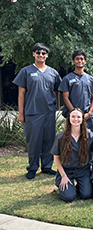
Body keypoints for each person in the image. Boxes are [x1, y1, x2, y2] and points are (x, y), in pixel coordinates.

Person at [13, 43, 61, 179]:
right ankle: (33, 167)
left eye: (44, 53)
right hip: (32, 112)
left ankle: (47, 166)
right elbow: (21, 93)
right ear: (34, 54)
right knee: (33, 141)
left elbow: (57, 90)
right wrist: (21, 113)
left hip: (49, 112)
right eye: (38, 52)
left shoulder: (53, 72)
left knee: (49, 140)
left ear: (47, 55)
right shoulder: (26, 71)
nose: (41, 55)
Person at [51, 108, 93, 202]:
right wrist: (63, 176)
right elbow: (56, 157)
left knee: (86, 195)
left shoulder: (89, 135)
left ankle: (81, 185)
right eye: (73, 116)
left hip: (83, 170)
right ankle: (62, 184)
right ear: (68, 119)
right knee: (68, 197)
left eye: (78, 117)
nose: (75, 119)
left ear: (82, 119)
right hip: (67, 170)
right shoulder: (61, 136)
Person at [59, 50, 93, 131]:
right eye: (77, 59)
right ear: (73, 61)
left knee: (89, 139)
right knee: (72, 139)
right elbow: (65, 98)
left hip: (87, 115)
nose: (79, 61)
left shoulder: (90, 79)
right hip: (73, 116)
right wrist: (74, 113)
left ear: (85, 61)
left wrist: (90, 112)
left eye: (81, 59)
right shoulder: (67, 78)